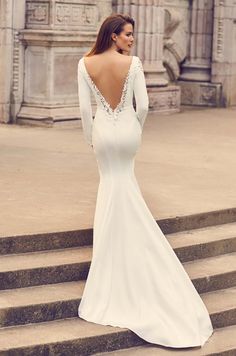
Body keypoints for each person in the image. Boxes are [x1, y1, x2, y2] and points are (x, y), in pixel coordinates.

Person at [77, 13, 214, 348]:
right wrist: (134, 130)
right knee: (125, 187)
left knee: (111, 188)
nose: (132, 39)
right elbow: (145, 106)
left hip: (104, 133)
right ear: (113, 35)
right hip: (126, 131)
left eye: (132, 35)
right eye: (127, 34)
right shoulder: (133, 64)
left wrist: (90, 137)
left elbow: (84, 109)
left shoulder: (85, 64)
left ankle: (112, 261)